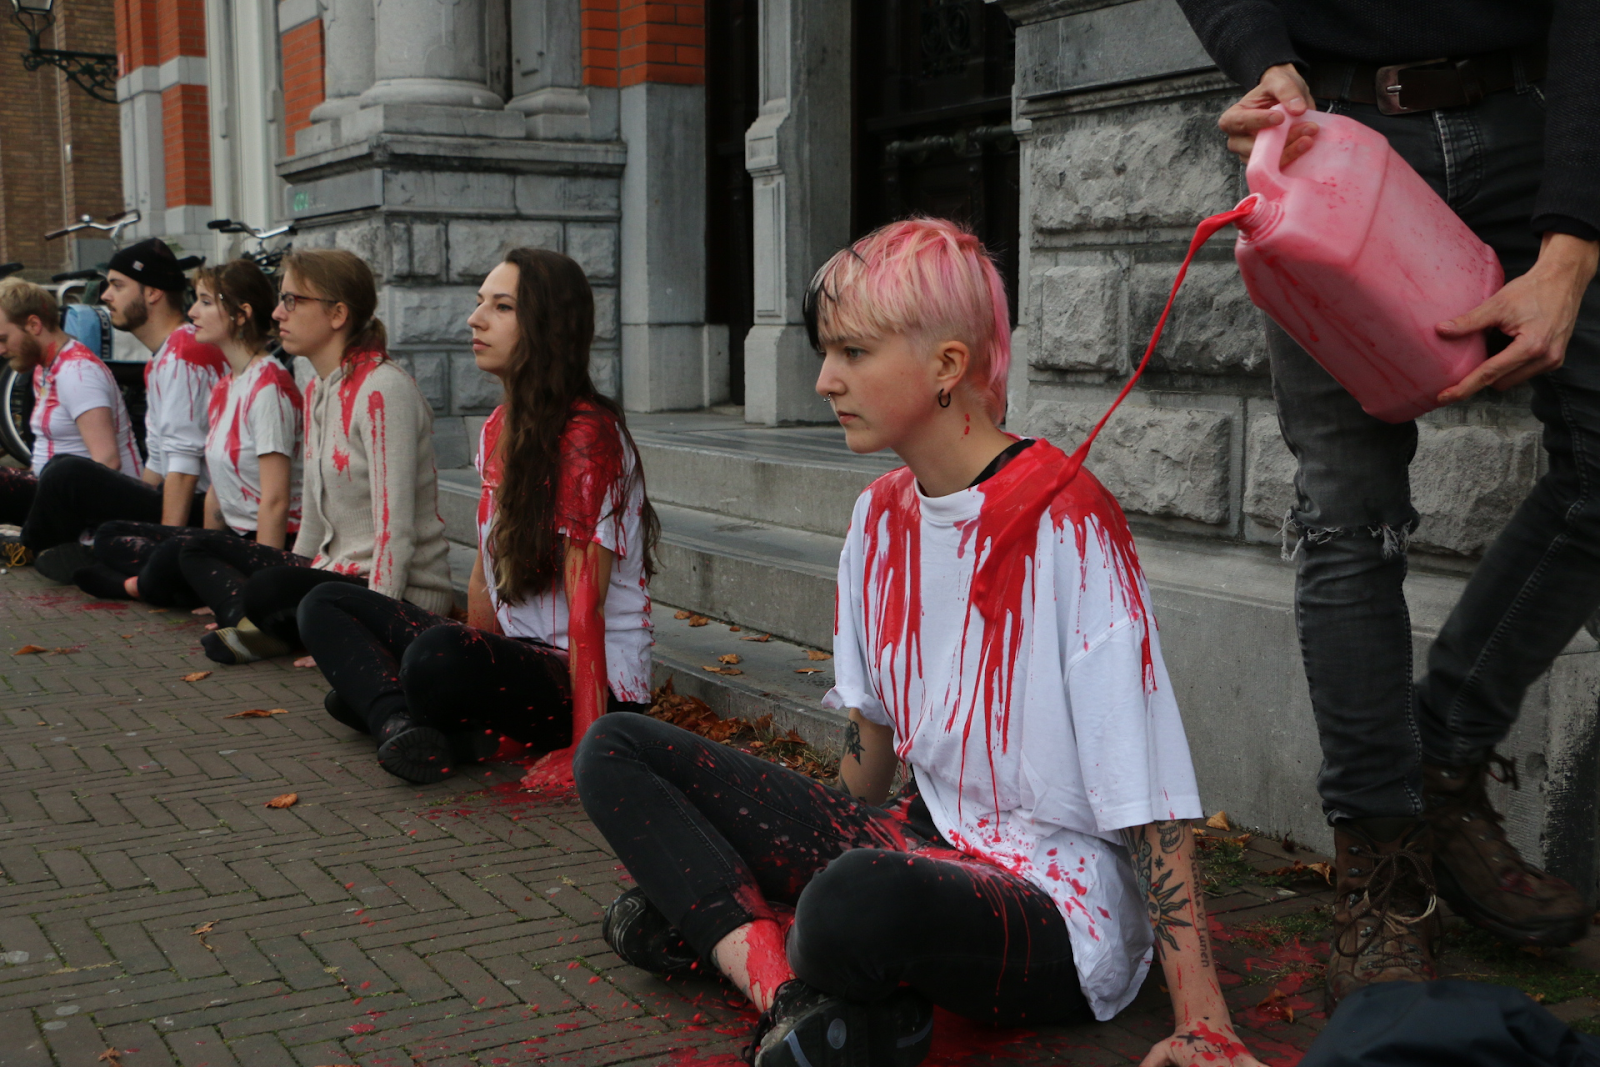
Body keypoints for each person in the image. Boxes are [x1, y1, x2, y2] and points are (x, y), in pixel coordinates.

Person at [574, 220, 1262, 1067]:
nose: (825, 380)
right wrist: (785, 827)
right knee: (615, 748)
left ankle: (734, 927)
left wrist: (1204, 1017)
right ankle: (793, 993)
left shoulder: (1067, 519)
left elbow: (1149, 796)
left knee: (848, 905)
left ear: (947, 365)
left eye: (853, 353)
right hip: (914, 836)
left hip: (1054, 900)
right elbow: (870, 770)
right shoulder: (878, 519)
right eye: (828, 352)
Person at [1174, 0, 1600, 1006]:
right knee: (1347, 513)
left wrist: (1573, 239)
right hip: (1332, 131)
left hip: (1528, 123)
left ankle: (1442, 760)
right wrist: (1259, 56)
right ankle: (1382, 859)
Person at [297, 249, 656, 786]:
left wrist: (589, 750)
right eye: (479, 302)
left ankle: (404, 712)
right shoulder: (496, 427)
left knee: (421, 665)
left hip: (586, 686)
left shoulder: (588, 437)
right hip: (517, 661)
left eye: (501, 306)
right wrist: (476, 655)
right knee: (324, 602)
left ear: (547, 326)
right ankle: (405, 719)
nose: (475, 318)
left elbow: (588, 604)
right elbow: (483, 579)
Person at [184, 248, 451, 664]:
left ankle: (300, 629)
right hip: (336, 576)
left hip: (397, 593)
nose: (276, 313)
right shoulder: (319, 389)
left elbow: (395, 529)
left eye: (292, 300)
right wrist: (295, 577)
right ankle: (283, 626)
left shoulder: (383, 389)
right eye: (280, 298)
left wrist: (374, 622)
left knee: (267, 591)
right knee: (203, 550)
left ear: (337, 314)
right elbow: (311, 518)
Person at [72, 259, 303, 610]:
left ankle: (142, 586)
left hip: (271, 543)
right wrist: (203, 545)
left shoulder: (268, 386)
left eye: (206, 302)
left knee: (177, 554)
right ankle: (179, 583)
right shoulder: (227, 384)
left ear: (241, 314)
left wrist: (259, 583)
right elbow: (216, 496)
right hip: (232, 539)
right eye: (196, 299)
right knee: (111, 534)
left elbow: (275, 501)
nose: (192, 311)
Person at [23, 238, 226, 580]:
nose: (104, 295)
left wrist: (163, 549)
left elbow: (183, 467)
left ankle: (28, 549)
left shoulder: (184, 352)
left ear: (153, 293)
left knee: (65, 474)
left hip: (208, 507)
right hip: (183, 497)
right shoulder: (165, 355)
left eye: (117, 285)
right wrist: (130, 510)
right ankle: (75, 550)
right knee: (60, 479)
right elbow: (158, 462)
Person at [0, 278, 142, 553]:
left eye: (4, 339)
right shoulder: (45, 366)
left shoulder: (78, 373)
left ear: (33, 325)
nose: (1, 350)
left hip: (87, 510)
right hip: (52, 498)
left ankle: (45, 544)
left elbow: (107, 462)